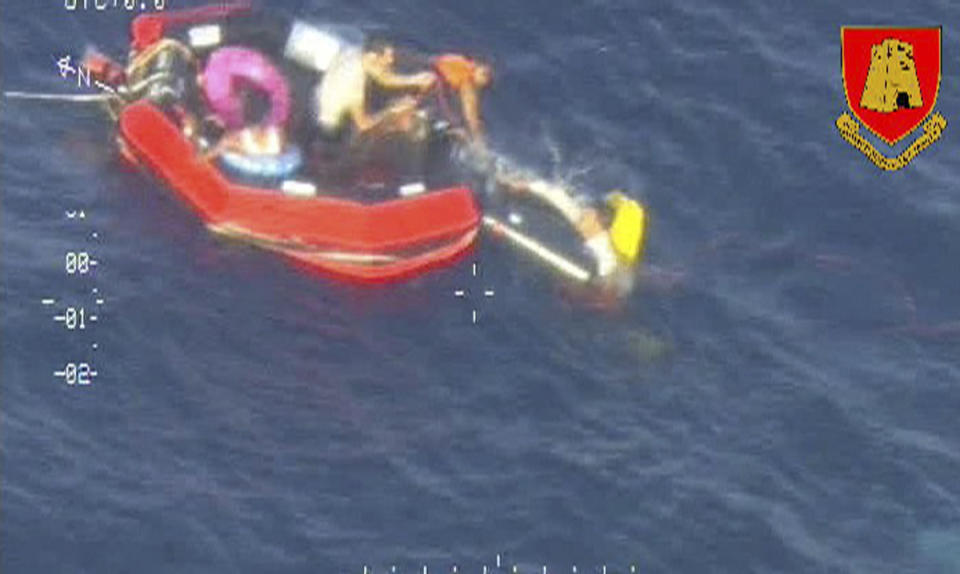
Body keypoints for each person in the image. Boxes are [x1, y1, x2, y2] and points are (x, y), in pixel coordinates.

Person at [497, 170, 645, 283]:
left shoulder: (603, 259)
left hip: (583, 267)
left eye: (595, 213)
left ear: (603, 224)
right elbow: (556, 195)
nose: (589, 211)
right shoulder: (585, 220)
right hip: (577, 242)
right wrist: (524, 186)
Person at [316, 40, 436, 138]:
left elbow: (383, 78)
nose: (391, 60)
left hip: (324, 95)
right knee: (374, 129)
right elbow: (363, 124)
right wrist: (392, 110)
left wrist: (415, 80)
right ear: (373, 57)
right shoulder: (354, 82)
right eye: (387, 57)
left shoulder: (356, 52)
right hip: (332, 124)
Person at [432, 53, 493, 150]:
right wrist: (479, 142)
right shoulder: (467, 82)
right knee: (459, 130)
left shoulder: (464, 64)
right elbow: (470, 115)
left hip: (433, 71)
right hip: (435, 82)